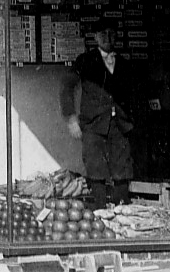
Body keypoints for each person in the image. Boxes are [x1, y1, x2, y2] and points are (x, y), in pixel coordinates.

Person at [65, 27, 134, 207]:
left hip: (119, 125)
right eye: (103, 34)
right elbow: (66, 87)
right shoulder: (85, 60)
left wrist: (131, 119)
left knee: (122, 169)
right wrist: (71, 118)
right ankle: (100, 211)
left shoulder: (125, 63)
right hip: (93, 125)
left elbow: (135, 94)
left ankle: (121, 212)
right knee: (96, 169)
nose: (108, 37)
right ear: (96, 37)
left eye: (111, 33)